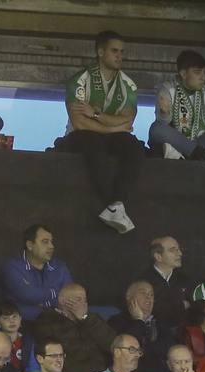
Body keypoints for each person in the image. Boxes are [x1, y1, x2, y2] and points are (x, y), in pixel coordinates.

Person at [55, 31, 143, 234]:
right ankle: (112, 204)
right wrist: (114, 126)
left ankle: (117, 204)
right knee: (94, 142)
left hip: (108, 134)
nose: (119, 55)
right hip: (81, 135)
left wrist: (95, 113)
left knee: (135, 147)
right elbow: (79, 122)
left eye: (122, 52)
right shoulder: (80, 80)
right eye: (114, 51)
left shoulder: (128, 85)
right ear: (100, 52)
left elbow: (128, 120)